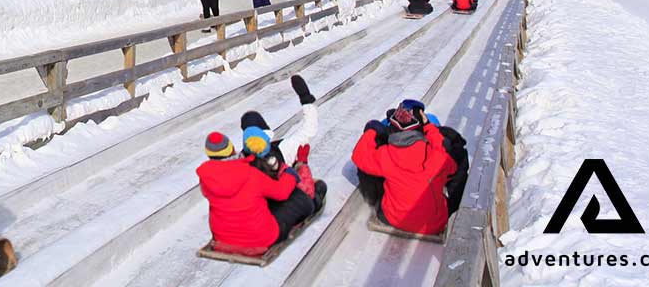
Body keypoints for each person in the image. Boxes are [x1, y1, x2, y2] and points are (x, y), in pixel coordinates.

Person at [197, 75, 325, 257]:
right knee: (302, 197)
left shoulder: (226, 168)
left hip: (224, 233)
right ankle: (314, 200)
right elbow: (309, 130)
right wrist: (306, 100)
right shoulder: (277, 154)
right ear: (266, 137)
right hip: (262, 230)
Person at [352, 102, 463, 237]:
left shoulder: (385, 154)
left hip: (393, 218)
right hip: (432, 225)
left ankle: (374, 201)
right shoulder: (436, 155)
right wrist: (429, 127)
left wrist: (371, 131)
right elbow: (447, 157)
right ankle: (456, 205)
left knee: (368, 167)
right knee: (459, 160)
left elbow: (359, 155)